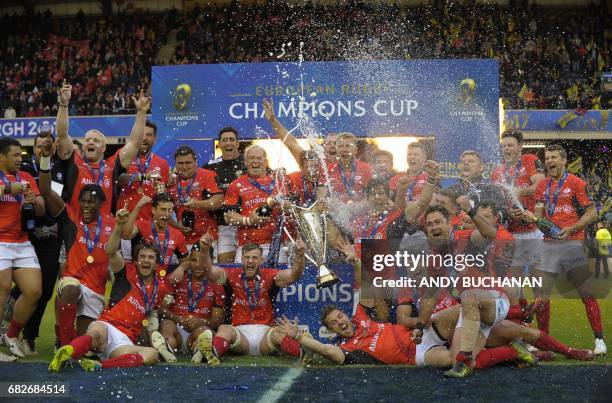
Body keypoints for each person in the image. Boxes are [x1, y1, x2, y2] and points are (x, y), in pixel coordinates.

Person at [49, 208, 170, 372]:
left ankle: (99, 365)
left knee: (151, 355)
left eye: (150, 258)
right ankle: (66, 352)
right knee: (95, 334)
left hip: (125, 340)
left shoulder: (159, 288)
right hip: (107, 326)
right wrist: (119, 226)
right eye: (142, 257)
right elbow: (111, 251)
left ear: (156, 264)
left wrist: (150, 334)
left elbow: (150, 314)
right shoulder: (126, 272)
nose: (146, 261)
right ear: (136, 261)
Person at [522, 144, 606, 355]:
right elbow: (540, 216)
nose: (549, 161)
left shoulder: (577, 183)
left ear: (563, 160)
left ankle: (599, 341)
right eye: (547, 158)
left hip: (572, 244)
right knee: (542, 296)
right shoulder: (542, 187)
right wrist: (532, 218)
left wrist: (573, 228)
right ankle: (543, 342)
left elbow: (592, 213)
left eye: (553, 158)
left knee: (586, 292)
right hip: (549, 244)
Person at [413, 202, 514, 378]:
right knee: (435, 360)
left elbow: (491, 235)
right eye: (429, 224)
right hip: (470, 310)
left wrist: (470, 209)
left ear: (449, 223)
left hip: (495, 302)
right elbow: (430, 296)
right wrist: (420, 327)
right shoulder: (434, 257)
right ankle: (507, 350)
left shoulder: (467, 238)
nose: (434, 227)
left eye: (438, 222)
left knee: (468, 296)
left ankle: (472, 358)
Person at [38, 140, 116, 347]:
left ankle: (72, 344)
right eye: (83, 201)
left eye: (92, 202)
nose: (86, 206)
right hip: (73, 279)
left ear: (101, 204)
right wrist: (45, 159)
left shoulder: (111, 223)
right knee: (69, 290)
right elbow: (45, 191)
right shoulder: (70, 216)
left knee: (87, 343)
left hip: (96, 288)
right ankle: (62, 345)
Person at [196, 236, 306, 365]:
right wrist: (204, 251)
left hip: (265, 334)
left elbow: (294, 275)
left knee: (278, 332)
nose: (250, 261)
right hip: (241, 334)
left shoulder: (270, 275)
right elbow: (209, 272)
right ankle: (212, 352)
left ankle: (303, 353)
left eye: (254, 258)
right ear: (241, 259)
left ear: (261, 260)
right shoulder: (231, 274)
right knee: (224, 328)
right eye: (247, 257)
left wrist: (299, 256)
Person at [5, 132, 64, 355]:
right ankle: (8, 332)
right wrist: (13, 190)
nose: (20, 159)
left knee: (39, 291)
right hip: (12, 238)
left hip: (36, 240)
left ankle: (20, 336)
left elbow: (49, 205)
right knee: (7, 288)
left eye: (47, 146)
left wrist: (34, 201)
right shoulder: (18, 174)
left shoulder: (40, 174)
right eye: (39, 146)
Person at [54, 81, 150, 215]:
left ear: (104, 148)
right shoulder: (74, 162)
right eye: (87, 140)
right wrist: (63, 105)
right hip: (76, 228)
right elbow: (62, 134)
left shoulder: (112, 166)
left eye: (95, 140)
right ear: (83, 146)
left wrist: (141, 113)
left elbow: (134, 143)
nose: (91, 142)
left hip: (104, 229)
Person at [490, 130, 546, 321]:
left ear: (520, 147)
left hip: (532, 233)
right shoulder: (497, 172)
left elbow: (541, 186)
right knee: (514, 288)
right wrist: (507, 212)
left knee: (539, 286)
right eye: (504, 145)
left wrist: (518, 193)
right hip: (511, 235)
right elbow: (495, 203)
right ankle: (524, 330)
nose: (506, 149)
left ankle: (544, 335)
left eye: (510, 145)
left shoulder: (530, 160)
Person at [0, 136, 44, 360]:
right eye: (15, 155)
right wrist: (9, 188)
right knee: (3, 286)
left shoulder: (26, 177)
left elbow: (41, 209)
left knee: (34, 291)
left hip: (22, 241)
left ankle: (10, 335)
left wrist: (32, 200)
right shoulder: (10, 181)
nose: (20, 159)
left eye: (21, 155)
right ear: (1, 157)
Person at [154, 244, 225, 363]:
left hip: (198, 331)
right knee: (167, 324)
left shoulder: (216, 285)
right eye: (193, 260)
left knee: (205, 331)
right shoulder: (178, 278)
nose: (197, 265)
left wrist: (202, 321)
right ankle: (167, 348)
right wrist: (178, 318)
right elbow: (162, 309)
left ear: (210, 261)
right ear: (189, 261)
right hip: (177, 329)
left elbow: (218, 319)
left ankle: (200, 350)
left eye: (202, 260)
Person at [223, 145, 285, 262]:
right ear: (245, 162)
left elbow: (290, 208)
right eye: (251, 158)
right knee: (244, 280)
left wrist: (281, 203)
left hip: (275, 245)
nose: (255, 161)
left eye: (259, 158)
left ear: (265, 162)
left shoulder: (278, 183)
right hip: (247, 246)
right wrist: (249, 220)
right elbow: (228, 216)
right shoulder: (236, 184)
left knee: (278, 279)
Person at [121, 193, 189, 282]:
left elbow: (186, 261)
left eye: (170, 210)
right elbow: (126, 235)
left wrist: (181, 268)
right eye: (163, 209)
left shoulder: (177, 235)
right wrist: (138, 207)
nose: (167, 214)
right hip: (136, 282)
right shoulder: (141, 226)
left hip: (159, 285)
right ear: (153, 210)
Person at [167, 146, 223, 253]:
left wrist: (196, 204)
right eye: (180, 163)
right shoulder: (171, 182)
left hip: (207, 238)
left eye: (188, 162)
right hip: (181, 240)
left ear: (195, 162)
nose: (184, 167)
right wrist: (176, 225)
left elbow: (219, 201)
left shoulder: (208, 175)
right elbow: (163, 210)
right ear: (175, 164)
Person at [204, 127, 248, 263]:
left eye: (231, 139)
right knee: (225, 267)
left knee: (247, 266)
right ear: (220, 144)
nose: (228, 143)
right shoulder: (210, 167)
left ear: (237, 143)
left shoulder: (248, 163)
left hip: (247, 224)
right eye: (224, 140)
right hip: (223, 225)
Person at [116, 121, 170, 221]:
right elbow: (117, 180)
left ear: (154, 139)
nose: (144, 138)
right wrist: (144, 176)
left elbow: (163, 195)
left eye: (149, 135)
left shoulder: (162, 163)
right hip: (124, 217)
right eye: (141, 134)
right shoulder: (123, 155)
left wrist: (161, 190)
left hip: (150, 221)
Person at [326, 132, 373, 202]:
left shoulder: (367, 169)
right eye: (340, 146)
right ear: (336, 149)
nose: (344, 149)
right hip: (338, 212)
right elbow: (321, 195)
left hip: (361, 211)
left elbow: (373, 195)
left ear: (356, 150)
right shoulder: (328, 169)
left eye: (348, 146)